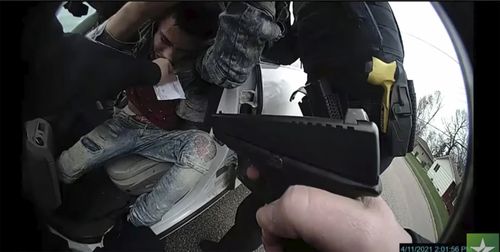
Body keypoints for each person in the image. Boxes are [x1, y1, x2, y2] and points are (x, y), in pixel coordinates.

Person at [200, 2, 418, 251]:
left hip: (364, 130)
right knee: (276, 200)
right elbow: (285, 51)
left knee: (291, 211)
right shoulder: (310, 11)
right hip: (345, 125)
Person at [56, 1, 283, 227]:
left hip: (163, 138)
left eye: (184, 52)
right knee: (65, 167)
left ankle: (134, 225)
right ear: (156, 24)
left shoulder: (203, 65)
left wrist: (255, 6)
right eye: (165, 41)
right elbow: (97, 52)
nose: (169, 55)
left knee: (203, 149)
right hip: (124, 123)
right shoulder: (142, 35)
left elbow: (229, 67)